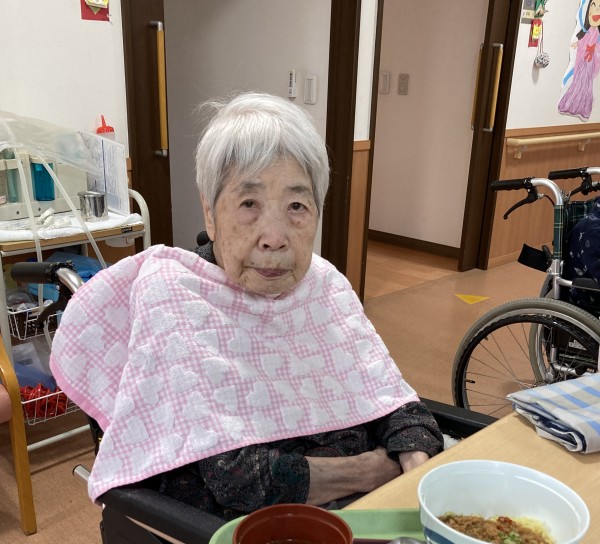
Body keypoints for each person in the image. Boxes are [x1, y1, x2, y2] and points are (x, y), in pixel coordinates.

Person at [50, 92, 443, 519]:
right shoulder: (178, 296)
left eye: (296, 206)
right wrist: (371, 471)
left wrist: (415, 468)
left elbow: (395, 404)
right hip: (249, 532)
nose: (274, 237)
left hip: (364, 507)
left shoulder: (324, 284)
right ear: (210, 213)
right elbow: (239, 481)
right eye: (249, 204)